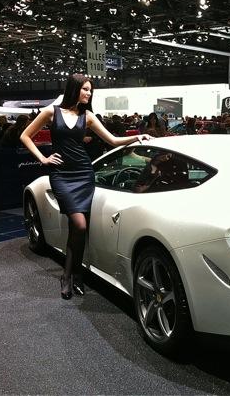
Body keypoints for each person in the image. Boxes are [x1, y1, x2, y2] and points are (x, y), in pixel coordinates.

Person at [19, 73, 152, 300]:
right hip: (61, 175)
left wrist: (137, 137)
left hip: (83, 174)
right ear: (75, 89)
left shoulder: (87, 116)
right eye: (86, 89)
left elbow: (112, 140)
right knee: (79, 225)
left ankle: (73, 274)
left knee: (79, 228)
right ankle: (69, 275)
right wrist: (43, 158)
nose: (88, 94)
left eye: (91, 91)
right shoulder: (52, 112)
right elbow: (25, 135)